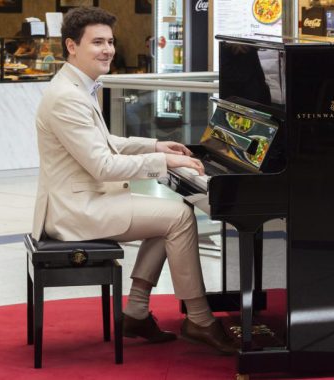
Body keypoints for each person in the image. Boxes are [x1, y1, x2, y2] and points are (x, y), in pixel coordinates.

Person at [32, 7, 236, 355]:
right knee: (180, 217)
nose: (107, 50)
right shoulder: (67, 97)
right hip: (75, 210)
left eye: (110, 42)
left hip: (79, 199)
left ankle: (136, 313)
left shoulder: (75, 85)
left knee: (169, 210)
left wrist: (156, 145)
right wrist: (163, 161)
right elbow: (102, 164)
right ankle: (199, 319)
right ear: (71, 45)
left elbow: (106, 142)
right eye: (97, 42)